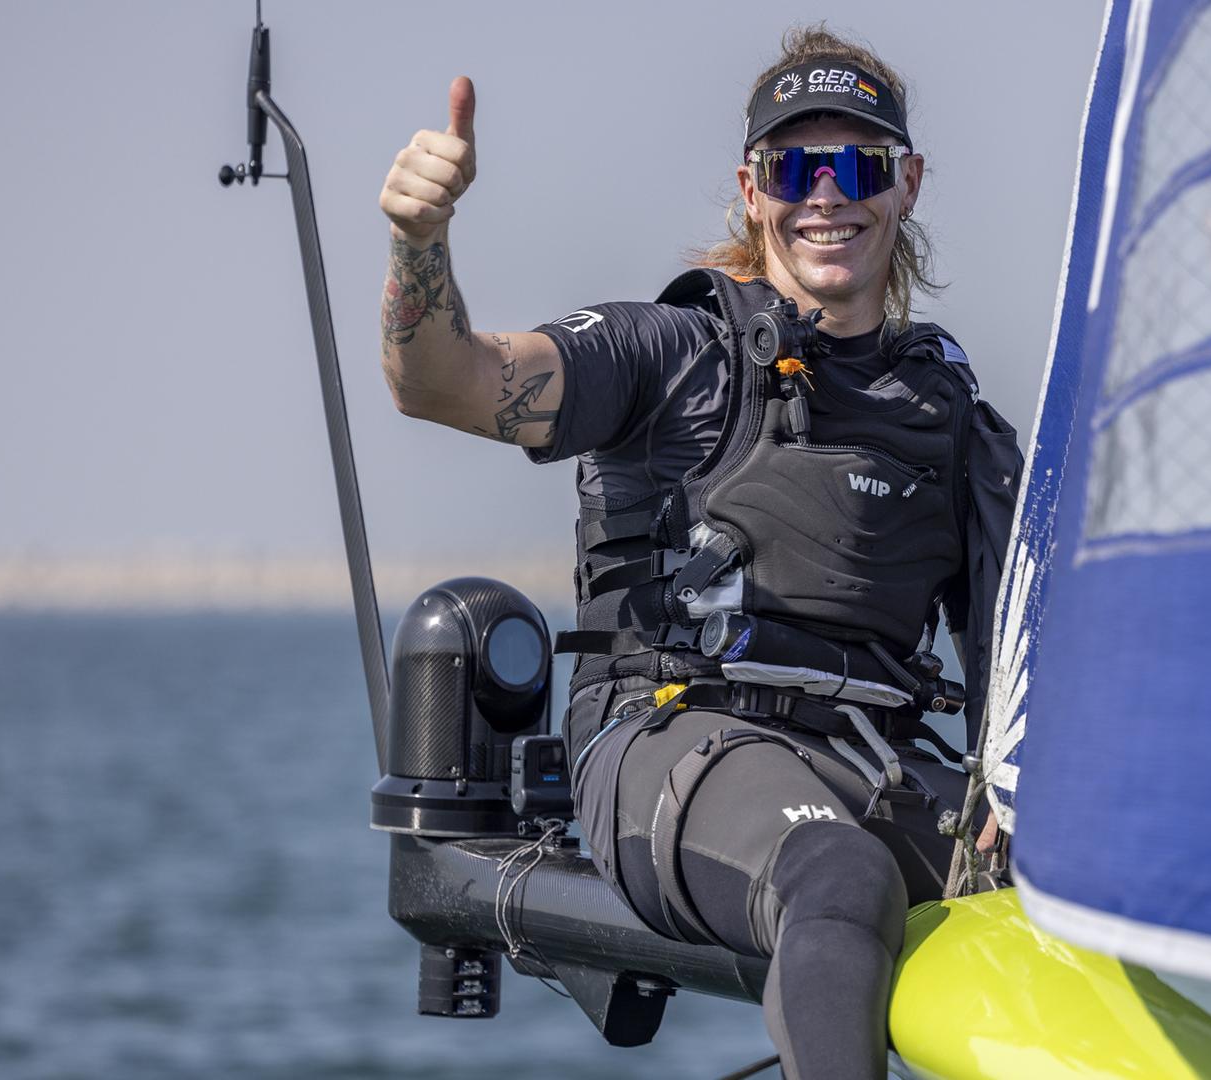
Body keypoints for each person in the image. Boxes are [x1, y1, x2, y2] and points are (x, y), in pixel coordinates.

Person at [378, 26, 1021, 1078]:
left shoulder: (951, 420)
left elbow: (1025, 674)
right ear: (753, 189)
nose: (827, 195)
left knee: (1090, 888)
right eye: (796, 169)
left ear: (906, 184)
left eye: (858, 166)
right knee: (841, 878)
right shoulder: (669, 353)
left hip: (877, 759)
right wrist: (420, 237)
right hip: (673, 741)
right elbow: (441, 381)